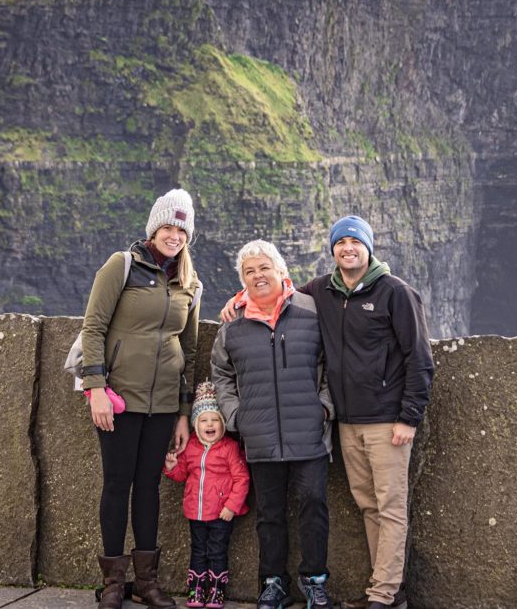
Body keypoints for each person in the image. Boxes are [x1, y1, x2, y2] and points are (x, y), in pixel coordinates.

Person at [221, 217, 433, 609]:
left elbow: (420, 360)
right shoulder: (323, 291)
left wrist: (409, 417)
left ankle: (383, 594)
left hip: (387, 421)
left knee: (388, 507)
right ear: (332, 250)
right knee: (368, 505)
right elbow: (274, 293)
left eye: (355, 241)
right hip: (348, 425)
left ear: (368, 247)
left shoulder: (396, 293)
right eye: (340, 242)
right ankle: (388, 590)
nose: (347, 248)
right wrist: (238, 299)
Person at [81, 188, 202, 609]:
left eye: (181, 229)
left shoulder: (190, 282)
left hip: (164, 403)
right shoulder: (123, 266)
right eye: (168, 226)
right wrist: (95, 388)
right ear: (154, 228)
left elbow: (190, 350)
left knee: (149, 486)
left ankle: (146, 582)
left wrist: (185, 412)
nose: (174, 235)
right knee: (117, 484)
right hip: (118, 398)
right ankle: (114, 582)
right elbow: (93, 328)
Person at [210, 240, 335, 609]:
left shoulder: (312, 312)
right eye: (249, 271)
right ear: (242, 281)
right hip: (260, 435)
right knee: (269, 513)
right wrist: (236, 418)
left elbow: (332, 365)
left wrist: (323, 408)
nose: (258, 276)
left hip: (310, 432)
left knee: (314, 504)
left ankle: (314, 581)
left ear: (281, 270)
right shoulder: (233, 324)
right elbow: (221, 374)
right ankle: (273, 583)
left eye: (264, 267)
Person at [163, 381, 250, 609]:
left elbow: (242, 478)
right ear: (195, 424)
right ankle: (197, 588)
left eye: (214, 420)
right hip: (195, 512)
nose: (209, 425)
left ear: (222, 424)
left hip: (221, 514)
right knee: (198, 551)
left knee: (217, 551)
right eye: (203, 420)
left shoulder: (229, 448)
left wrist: (232, 506)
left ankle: (217, 590)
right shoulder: (191, 446)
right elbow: (183, 474)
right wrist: (172, 467)